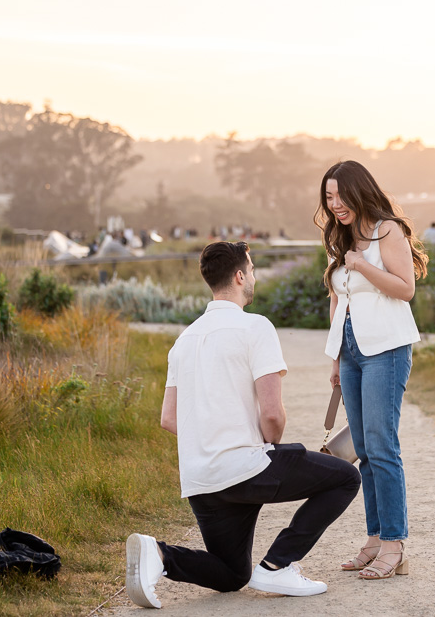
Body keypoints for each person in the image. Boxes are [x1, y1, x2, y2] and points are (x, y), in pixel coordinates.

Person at [125, 241, 360, 609]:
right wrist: (269, 446)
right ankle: (279, 564)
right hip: (245, 467)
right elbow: (272, 416)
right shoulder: (255, 327)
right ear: (239, 276)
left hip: (201, 481)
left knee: (232, 574)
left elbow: (169, 419)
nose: (254, 276)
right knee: (347, 477)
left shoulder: (183, 340)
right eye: (251, 270)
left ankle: (160, 555)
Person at [317, 160, 428, 581]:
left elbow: (406, 289)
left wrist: (363, 264)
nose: (335, 204)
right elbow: (336, 297)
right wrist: (335, 357)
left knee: (382, 446)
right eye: (328, 197)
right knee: (362, 449)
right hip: (351, 351)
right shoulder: (338, 238)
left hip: (387, 349)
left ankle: (394, 545)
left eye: (340, 195)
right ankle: (374, 537)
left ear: (358, 191)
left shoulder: (387, 230)